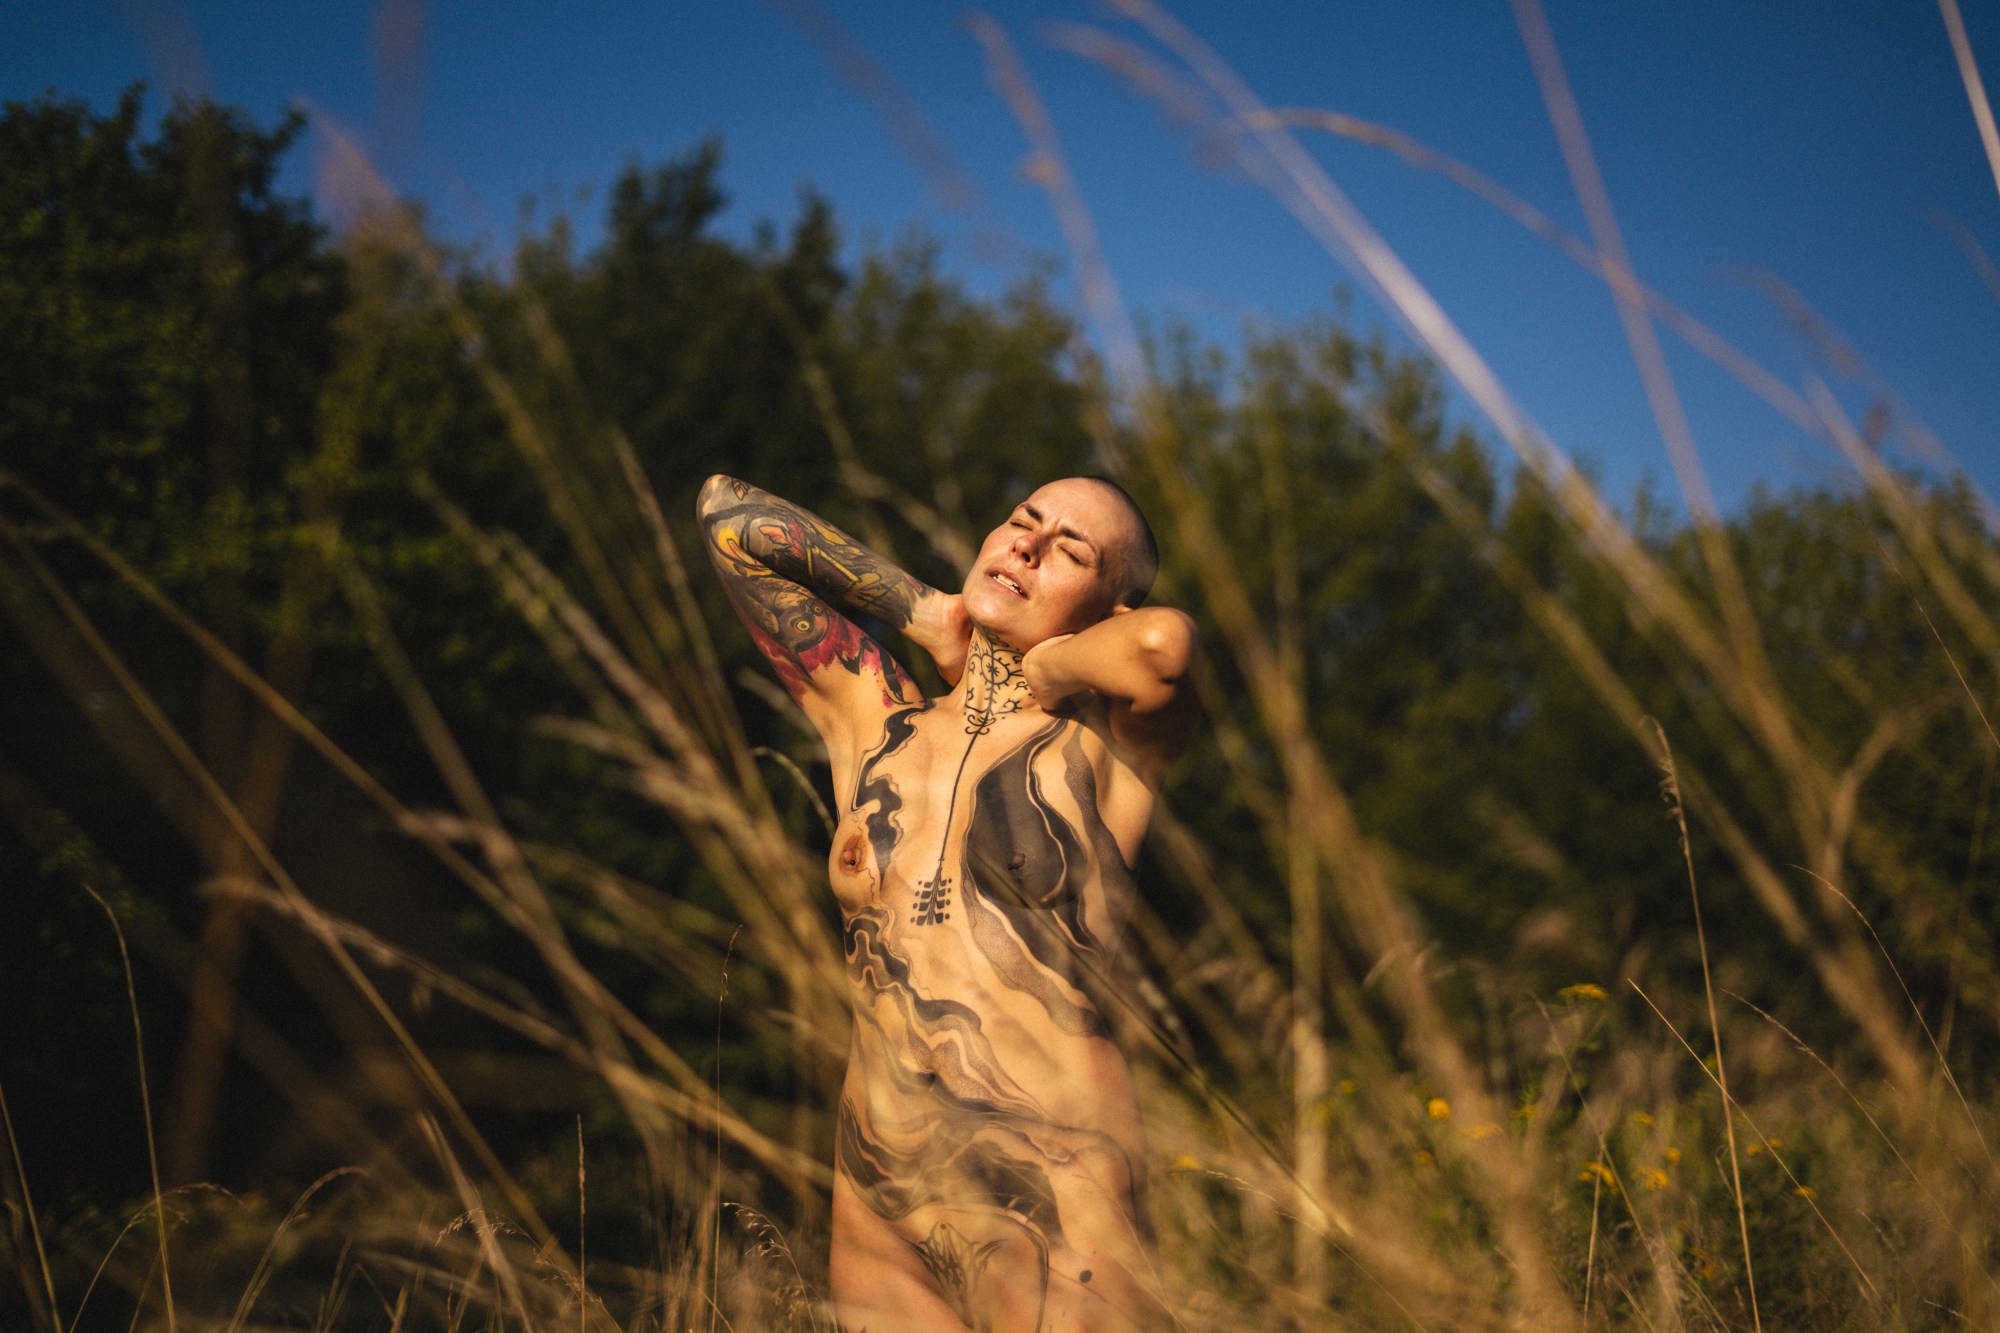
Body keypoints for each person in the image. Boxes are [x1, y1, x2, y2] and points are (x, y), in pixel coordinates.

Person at [697, 473, 1199, 1332]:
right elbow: (727, 519)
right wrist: (925, 610)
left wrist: (1047, 664)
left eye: (1070, 550)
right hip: (881, 1221)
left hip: (1058, 1211)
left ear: (1106, 609)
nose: (1027, 546)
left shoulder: (1109, 745)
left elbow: (1164, 646)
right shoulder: (876, 721)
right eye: (1022, 521)